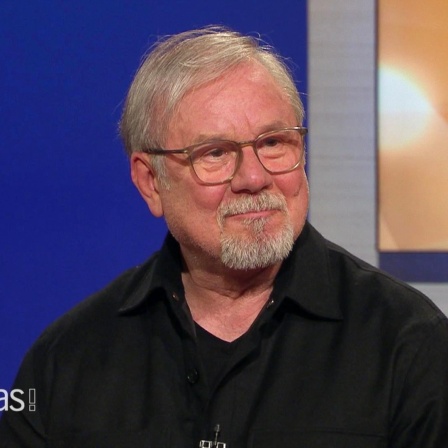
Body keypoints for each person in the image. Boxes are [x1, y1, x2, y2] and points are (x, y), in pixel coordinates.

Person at [1, 26, 447, 448]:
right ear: (151, 182)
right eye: (214, 153)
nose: (254, 178)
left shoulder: (409, 344)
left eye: (273, 143)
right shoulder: (67, 359)